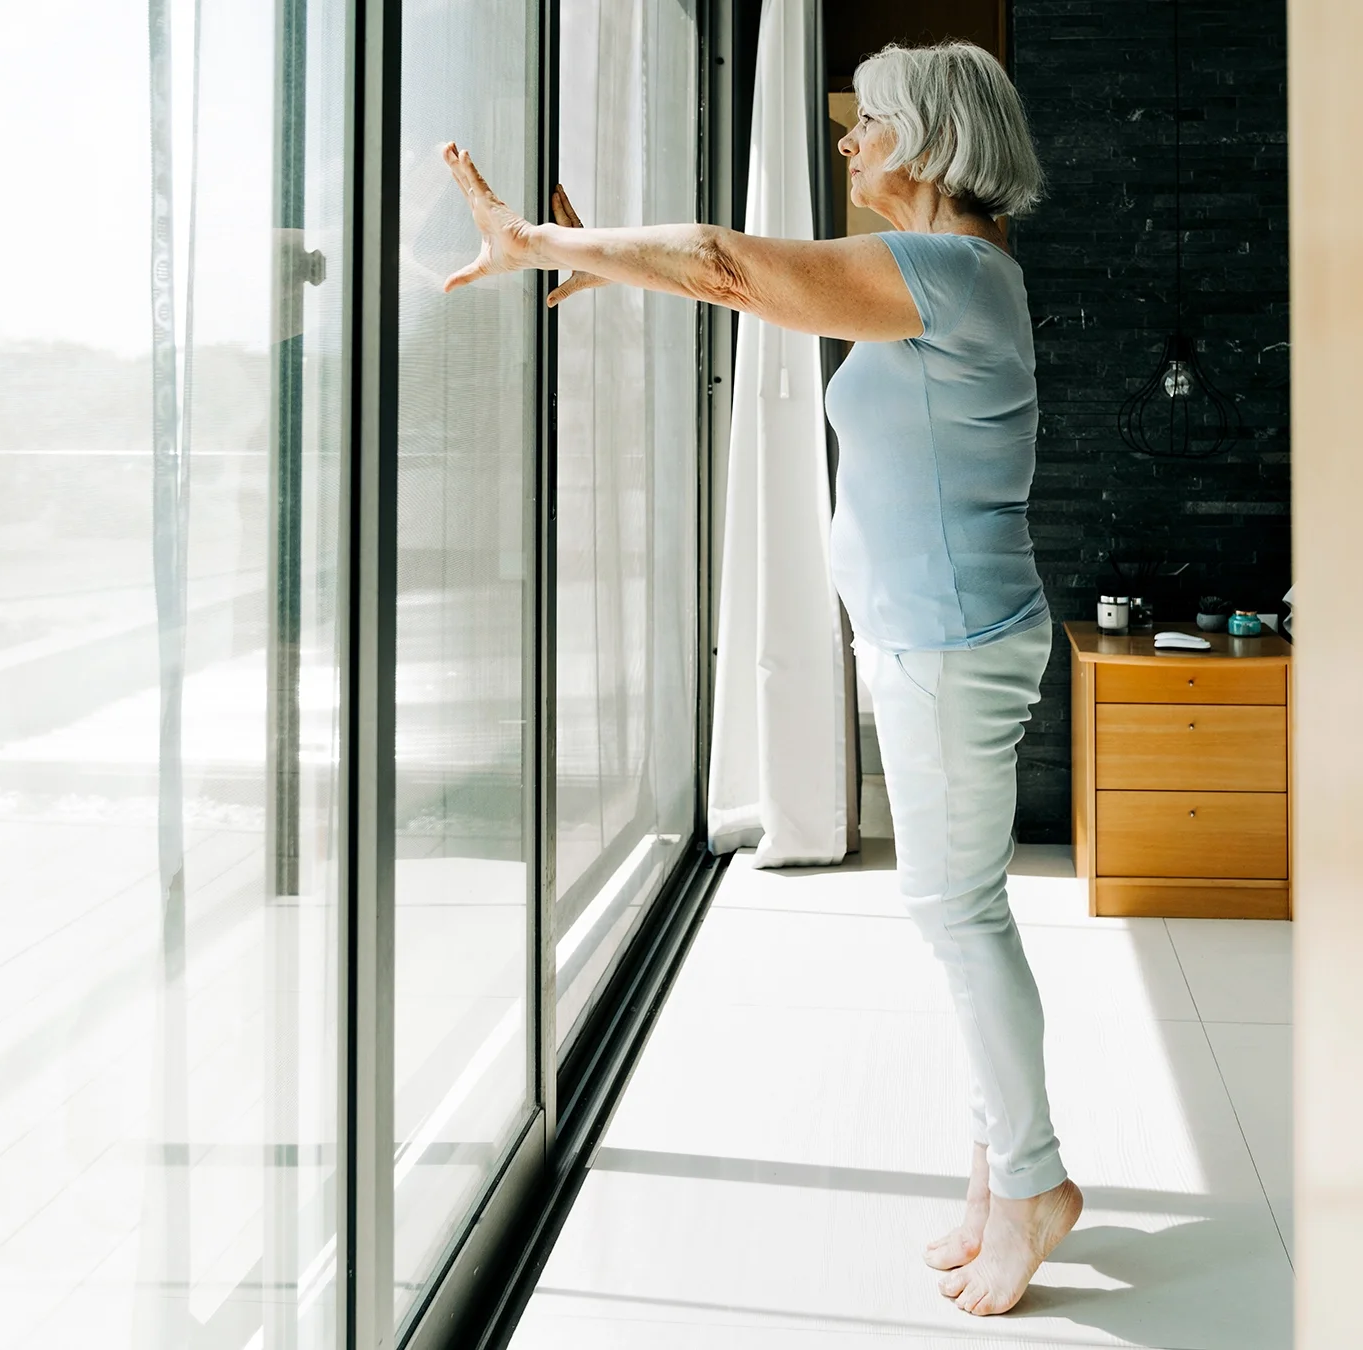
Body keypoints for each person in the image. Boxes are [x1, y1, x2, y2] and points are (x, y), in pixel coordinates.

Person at [441, 40, 1079, 1317]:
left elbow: (731, 266)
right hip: (942, 633)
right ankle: (995, 1174)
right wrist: (605, 258)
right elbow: (745, 284)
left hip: (948, 642)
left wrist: (554, 247)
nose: (848, 142)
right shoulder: (948, 277)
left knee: (960, 920)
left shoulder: (944, 270)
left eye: (870, 123)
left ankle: (1034, 1184)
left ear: (934, 140)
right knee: (960, 919)